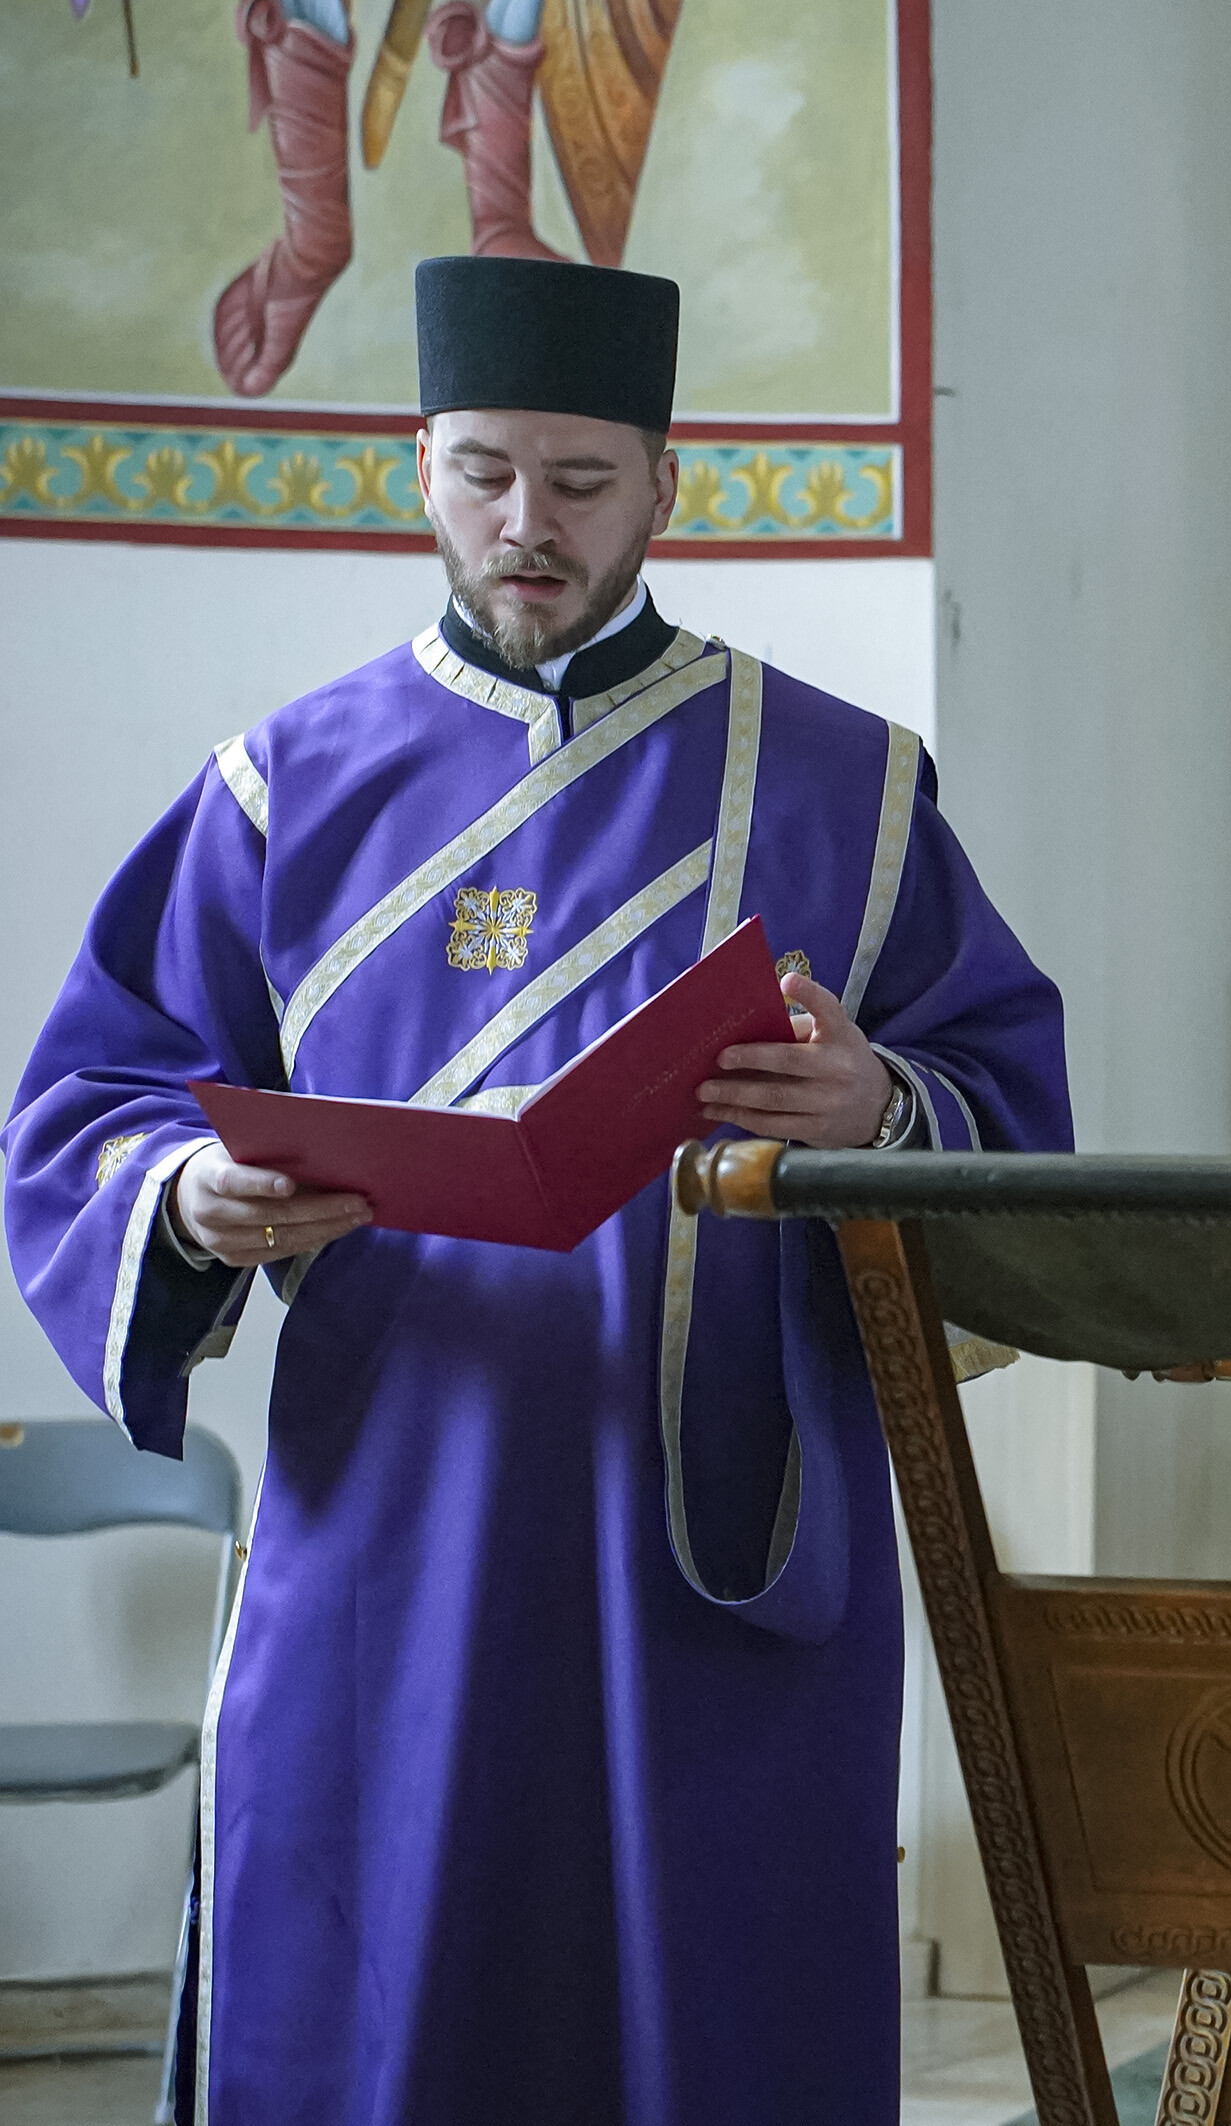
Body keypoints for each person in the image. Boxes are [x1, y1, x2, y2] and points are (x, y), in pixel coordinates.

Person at [2, 254, 1070, 2123]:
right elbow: (88, 1102)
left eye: (581, 481)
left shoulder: (847, 786)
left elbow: (1014, 1115)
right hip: (394, 1512)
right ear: (419, 465)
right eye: (485, 472)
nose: (527, 525)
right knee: (393, 1990)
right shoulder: (281, 791)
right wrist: (187, 1197)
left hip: (714, 1524)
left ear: (667, 484)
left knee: (703, 2000)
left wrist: (882, 1101)